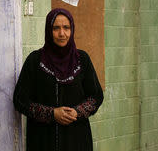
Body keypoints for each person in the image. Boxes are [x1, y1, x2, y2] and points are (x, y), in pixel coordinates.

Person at [13, 8, 103, 151]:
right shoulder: (34, 61)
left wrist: (77, 112)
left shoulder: (82, 60)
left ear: (72, 29)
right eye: (56, 28)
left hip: (77, 139)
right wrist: (51, 114)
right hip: (42, 140)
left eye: (66, 28)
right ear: (49, 30)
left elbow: (96, 96)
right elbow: (20, 100)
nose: (62, 33)